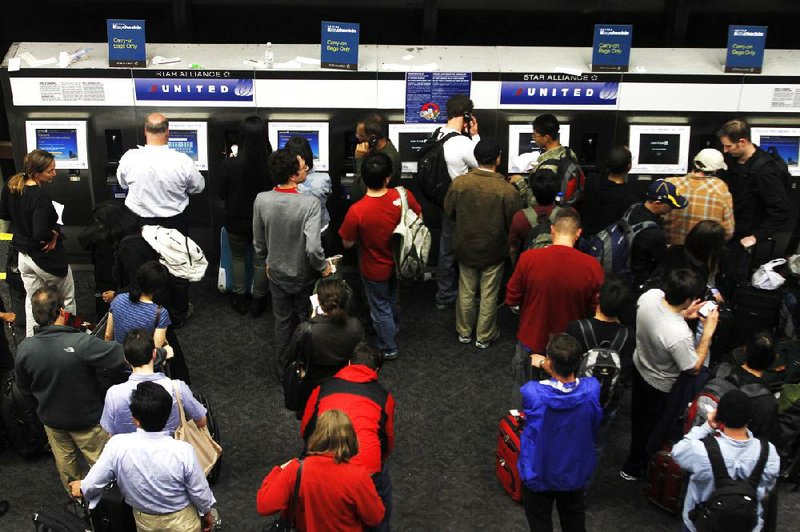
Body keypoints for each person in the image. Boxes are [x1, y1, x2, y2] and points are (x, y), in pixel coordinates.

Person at [14, 286, 126, 492]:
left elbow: (24, 389)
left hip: (52, 421)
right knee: (104, 468)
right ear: (62, 312)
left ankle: (79, 502)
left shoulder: (24, 349)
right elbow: (124, 355)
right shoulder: (82, 342)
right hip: (88, 422)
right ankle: (107, 508)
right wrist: (160, 353)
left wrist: (43, 408)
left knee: (67, 467)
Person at [71, 381, 217, 532]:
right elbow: (199, 490)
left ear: (135, 419)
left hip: (145, 521)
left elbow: (94, 481)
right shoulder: (183, 451)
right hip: (182, 521)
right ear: (167, 416)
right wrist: (206, 512)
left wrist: (81, 487)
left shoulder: (117, 445)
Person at [621, 269, 719, 481]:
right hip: (660, 385)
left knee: (639, 420)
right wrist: (708, 333)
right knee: (654, 427)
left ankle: (633, 461)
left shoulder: (650, 296)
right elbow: (692, 367)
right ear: (687, 299)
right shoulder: (679, 334)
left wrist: (682, 313)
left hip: (640, 366)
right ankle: (637, 467)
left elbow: (660, 318)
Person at [117, 112, 205, 326]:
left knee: (143, 268)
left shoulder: (130, 157)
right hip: (173, 223)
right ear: (168, 132)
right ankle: (177, 314)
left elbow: (122, 183)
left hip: (139, 222)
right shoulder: (182, 160)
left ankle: (146, 314)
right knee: (177, 266)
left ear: (145, 131)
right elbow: (198, 187)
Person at [301, 342, 395, 532]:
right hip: (366, 468)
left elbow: (306, 428)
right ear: (376, 369)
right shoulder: (384, 397)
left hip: (324, 463)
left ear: (349, 363)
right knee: (380, 507)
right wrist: (379, 462)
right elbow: (387, 440)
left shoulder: (324, 389)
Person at [506, 208, 604, 389]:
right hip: (570, 345)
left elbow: (512, 298)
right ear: (578, 233)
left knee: (526, 391)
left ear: (552, 230)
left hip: (532, 337)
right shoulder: (592, 266)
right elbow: (595, 307)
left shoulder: (528, 259)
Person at [253, 149, 331, 370]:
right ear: (292, 174)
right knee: (307, 318)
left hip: (276, 272)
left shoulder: (262, 200)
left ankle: (283, 365)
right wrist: (323, 267)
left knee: (282, 320)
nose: (306, 167)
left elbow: (258, 242)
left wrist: (267, 261)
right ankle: (305, 363)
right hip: (303, 273)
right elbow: (314, 248)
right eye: (302, 166)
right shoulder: (310, 204)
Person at [339, 153, 422, 360]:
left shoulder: (357, 211)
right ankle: (392, 328)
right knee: (393, 298)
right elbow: (419, 217)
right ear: (388, 177)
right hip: (400, 262)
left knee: (379, 306)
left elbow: (346, 242)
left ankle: (388, 346)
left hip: (373, 267)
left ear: (363, 179)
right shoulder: (403, 196)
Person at [519, 334, 602, 532]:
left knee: (540, 522)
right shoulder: (592, 389)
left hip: (539, 469)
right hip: (573, 470)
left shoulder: (532, 392)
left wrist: (544, 366)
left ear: (549, 360)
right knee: (574, 519)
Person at [444, 138, 521, 348]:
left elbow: (449, 212)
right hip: (494, 250)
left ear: (476, 158)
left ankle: (464, 332)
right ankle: (484, 336)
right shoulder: (507, 190)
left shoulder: (459, 183)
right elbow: (514, 223)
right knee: (489, 293)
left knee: (466, 290)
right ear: (498, 158)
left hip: (465, 246)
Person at [257, 409, 385, 531]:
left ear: (317, 435)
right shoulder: (358, 476)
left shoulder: (296, 469)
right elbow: (375, 517)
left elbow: (264, 506)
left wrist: (279, 470)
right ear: (350, 438)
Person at [672, 390, 780, 532]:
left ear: (720, 417)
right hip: (746, 525)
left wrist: (707, 427)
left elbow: (677, 452)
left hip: (701, 525)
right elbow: (768, 485)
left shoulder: (700, 450)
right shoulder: (768, 453)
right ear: (750, 418)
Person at [0, 149, 76, 337]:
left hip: (23, 257)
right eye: (50, 170)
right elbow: (40, 232)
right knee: (67, 300)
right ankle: (70, 339)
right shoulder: (40, 198)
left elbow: (4, 214)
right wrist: (54, 235)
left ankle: (32, 341)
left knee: (32, 302)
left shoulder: (11, 185)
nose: (54, 173)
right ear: (36, 172)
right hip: (45, 258)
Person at [101, 328, 207, 436]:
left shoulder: (113, 394)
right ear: (154, 354)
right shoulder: (177, 387)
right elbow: (201, 421)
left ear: (126, 359)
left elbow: (109, 432)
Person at [217, 115, 273, 316]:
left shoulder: (229, 164)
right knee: (260, 260)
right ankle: (259, 300)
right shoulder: (271, 164)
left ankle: (239, 298)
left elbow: (221, 193)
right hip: (263, 221)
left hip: (236, 220)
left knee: (238, 257)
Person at [434, 94, 481, 311]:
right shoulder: (462, 142)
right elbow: (483, 164)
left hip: (443, 201)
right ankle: (459, 295)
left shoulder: (436, 134)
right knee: (465, 249)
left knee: (445, 248)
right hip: (462, 205)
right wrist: (475, 135)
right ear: (466, 116)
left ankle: (444, 294)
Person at [717, 118, 791, 252]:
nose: (725, 150)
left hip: (744, 236)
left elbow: (780, 210)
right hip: (729, 227)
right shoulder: (732, 159)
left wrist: (756, 237)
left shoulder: (765, 170)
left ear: (742, 142)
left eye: (728, 146)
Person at [282, 277, 365, 395]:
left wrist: (314, 320)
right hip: (346, 378)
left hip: (314, 380)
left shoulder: (306, 329)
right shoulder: (355, 325)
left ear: (319, 302)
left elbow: (291, 356)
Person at [664, 148, 734, 245]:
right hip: (703, 252)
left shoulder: (669, 183)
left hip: (671, 250)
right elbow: (728, 231)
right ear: (716, 170)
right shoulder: (720, 188)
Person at [626, 179, 688, 288]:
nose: (672, 210)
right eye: (670, 206)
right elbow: (662, 260)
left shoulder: (634, 208)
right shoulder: (653, 234)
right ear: (657, 203)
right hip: (639, 280)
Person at [509, 114, 578, 209]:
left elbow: (535, 202)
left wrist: (520, 182)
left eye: (535, 135)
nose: (533, 137)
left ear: (546, 137)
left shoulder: (547, 167)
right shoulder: (569, 153)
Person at [106, 261, 171, 347]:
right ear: (158, 288)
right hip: (140, 358)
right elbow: (157, 350)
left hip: (117, 354)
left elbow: (108, 335)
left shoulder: (119, 298)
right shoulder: (160, 313)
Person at [578, 146, 639, 237]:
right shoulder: (630, 198)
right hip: (608, 247)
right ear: (629, 167)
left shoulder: (591, 180)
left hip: (584, 240)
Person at [507, 167, 560, 266]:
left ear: (533, 192)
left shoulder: (520, 217)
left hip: (530, 267)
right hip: (559, 267)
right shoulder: (567, 216)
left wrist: (517, 268)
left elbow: (513, 249)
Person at [286, 135, 332, 239]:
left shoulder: (283, 184)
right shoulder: (324, 179)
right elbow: (329, 195)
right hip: (320, 231)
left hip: (293, 234)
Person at [351, 113, 402, 202]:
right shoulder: (374, 148)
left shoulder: (388, 159)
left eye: (360, 135)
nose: (357, 138)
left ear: (373, 138)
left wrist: (360, 159)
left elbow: (367, 190)